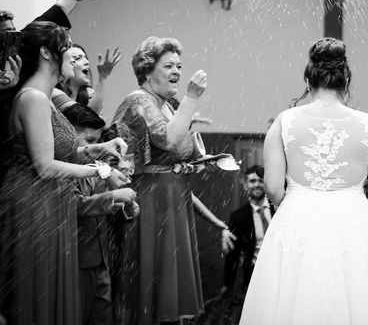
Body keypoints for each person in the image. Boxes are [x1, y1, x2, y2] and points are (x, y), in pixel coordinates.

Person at [240, 37, 368, 325]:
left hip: (297, 220)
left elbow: (271, 187)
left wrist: (295, 203)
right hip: (355, 223)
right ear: (346, 80)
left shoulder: (285, 121)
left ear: (308, 80)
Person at [0, 21, 129, 325]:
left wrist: (102, 148)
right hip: (32, 204)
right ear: (47, 52)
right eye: (68, 45)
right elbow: (45, 166)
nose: (73, 53)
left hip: (48, 201)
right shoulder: (32, 97)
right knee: (38, 296)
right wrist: (99, 172)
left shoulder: (45, 98)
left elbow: (66, 150)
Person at [110, 36, 221, 325]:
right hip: (151, 199)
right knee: (152, 279)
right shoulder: (139, 100)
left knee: (171, 280)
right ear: (147, 71)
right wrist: (192, 97)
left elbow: (179, 149)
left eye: (179, 65)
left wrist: (191, 164)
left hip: (173, 196)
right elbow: (168, 139)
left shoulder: (167, 105)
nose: (177, 72)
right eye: (169, 65)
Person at [63, 103, 140, 325]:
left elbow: (103, 203)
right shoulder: (63, 169)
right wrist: (114, 196)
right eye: (90, 142)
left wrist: (125, 208)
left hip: (102, 260)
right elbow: (77, 205)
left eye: (98, 141)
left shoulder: (97, 168)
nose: (99, 148)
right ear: (68, 137)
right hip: (76, 261)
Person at [220, 165, 273, 298]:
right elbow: (233, 254)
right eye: (252, 181)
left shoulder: (279, 209)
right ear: (245, 185)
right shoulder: (237, 217)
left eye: (261, 180)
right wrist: (228, 284)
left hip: (282, 272)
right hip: (254, 276)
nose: (257, 185)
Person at [57, 44, 122, 115]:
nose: (87, 62)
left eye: (85, 58)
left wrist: (103, 77)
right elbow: (87, 119)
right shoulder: (56, 96)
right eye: (78, 58)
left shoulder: (88, 96)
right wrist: (102, 78)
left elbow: (92, 121)